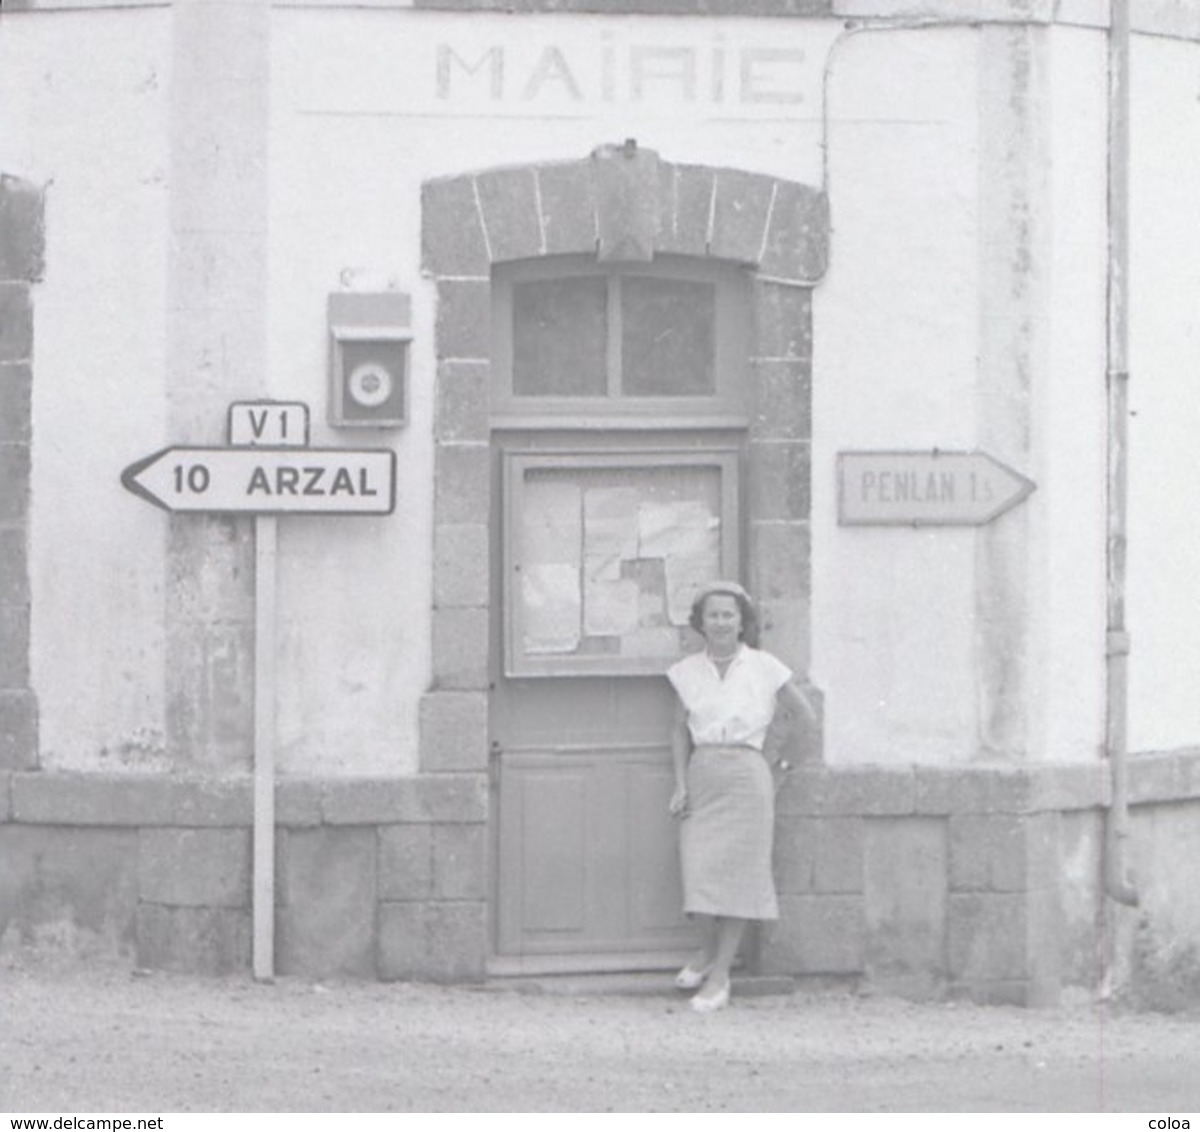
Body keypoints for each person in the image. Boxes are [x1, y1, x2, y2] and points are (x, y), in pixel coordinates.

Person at [665, 580, 817, 1013]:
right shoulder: (687, 671)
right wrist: (680, 783)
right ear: (701, 622)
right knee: (697, 871)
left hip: (749, 777)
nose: (720, 622)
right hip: (703, 773)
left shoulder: (765, 666)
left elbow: (804, 717)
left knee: (740, 879)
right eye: (712, 615)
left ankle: (720, 975)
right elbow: (677, 729)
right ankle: (706, 950)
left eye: (728, 614)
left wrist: (781, 766)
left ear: (742, 621)